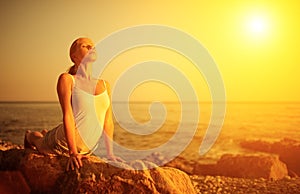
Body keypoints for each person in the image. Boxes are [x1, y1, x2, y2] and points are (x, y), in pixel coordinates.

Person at [24, 37, 123, 171]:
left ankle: (47, 134)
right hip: (64, 143)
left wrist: (110, 154)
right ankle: (30, 135)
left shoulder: (105, 85)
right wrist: (72, 152)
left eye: (92, 46)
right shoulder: (67, 79)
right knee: (40, 143)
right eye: (85, 46)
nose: (91, 47)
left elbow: (108, 121)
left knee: (47, 136)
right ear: (74, 56)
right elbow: (68, 115)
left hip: (86, 149)